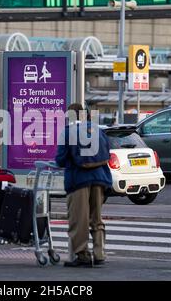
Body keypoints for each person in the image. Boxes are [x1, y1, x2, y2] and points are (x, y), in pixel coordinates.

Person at [55, 103, 113, 267]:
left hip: (78, 180)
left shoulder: (68, 132)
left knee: (78, 219)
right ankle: (100, 253)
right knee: (97, 217)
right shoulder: (98, 131)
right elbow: (107, 152)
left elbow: (60, 159)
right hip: (100, 179)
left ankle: (82, 255)